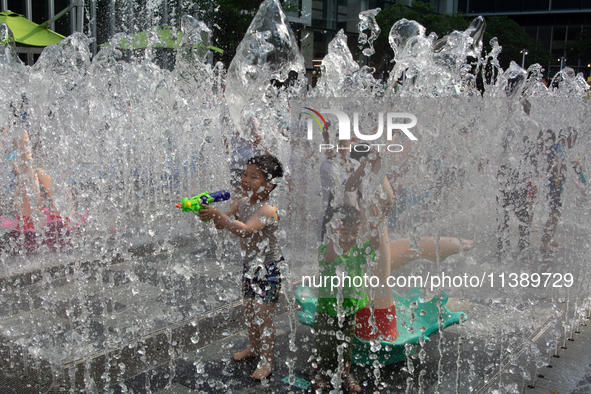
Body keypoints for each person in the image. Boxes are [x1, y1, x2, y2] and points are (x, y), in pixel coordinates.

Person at [197, 153, 284, 380]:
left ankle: (267, 360)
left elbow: (244, 229)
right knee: (249, 310)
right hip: (250, 267)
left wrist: (219, 216)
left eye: (254, 177)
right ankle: (254, 347)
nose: (245, 179)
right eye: (245, 174)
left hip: (269, 269)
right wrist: (210, 214)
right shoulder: (242, 203)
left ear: (269, 185)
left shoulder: (268, 211)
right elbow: (222, 224)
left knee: (263, 315)